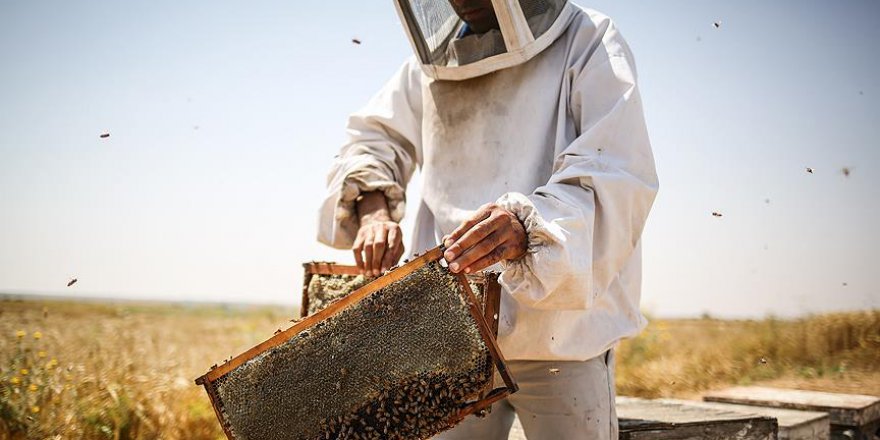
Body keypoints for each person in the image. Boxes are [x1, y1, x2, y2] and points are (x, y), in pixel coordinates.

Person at [318, 0, 658, 438]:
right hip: (452, 333)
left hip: (563, 337)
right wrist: (373, 210)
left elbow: (615, 171)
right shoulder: (432, 64)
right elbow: (372, 139)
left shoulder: (587, 38)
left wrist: (530, 230)